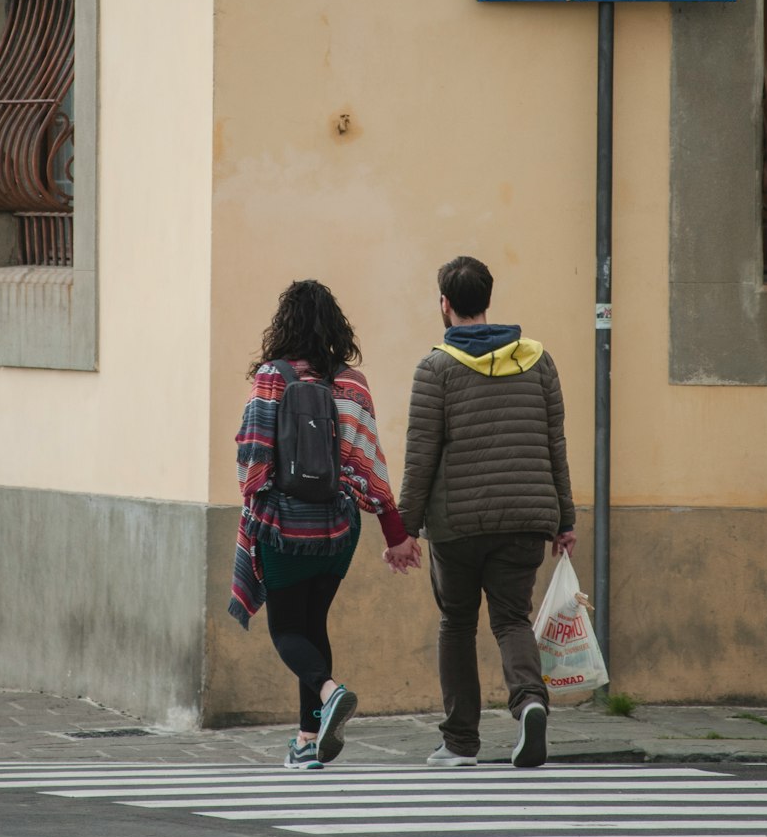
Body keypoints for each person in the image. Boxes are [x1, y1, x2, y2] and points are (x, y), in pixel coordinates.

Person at [393, 255, 576, 769]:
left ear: (445, 304)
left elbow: (421, 455)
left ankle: (460, 742)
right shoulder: (539, 361)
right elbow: (553, 443)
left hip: (458, 525)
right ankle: (530, 702)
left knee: (456, 623)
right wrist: (564, 519)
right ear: (487, 299)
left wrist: (402, 530)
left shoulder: (435, 368)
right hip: (526, 519)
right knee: (512, 619)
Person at [230, 279, 421, 770]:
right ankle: (307, 742)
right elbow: (369, 462)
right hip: (338, 529)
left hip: (284, 527)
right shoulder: (351, 383)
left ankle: (331, 691)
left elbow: (252, 459)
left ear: (284, 325)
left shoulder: (272, 377)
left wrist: (258, 502)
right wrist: (394, 532)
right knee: (313, 628)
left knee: (287, 630)